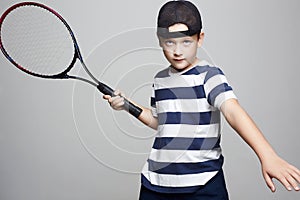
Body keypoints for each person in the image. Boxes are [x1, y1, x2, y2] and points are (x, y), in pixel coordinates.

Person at [103, 1, 300, 199]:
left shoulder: (209, 76)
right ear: (160, 40)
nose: (178, 51)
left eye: (186, 41)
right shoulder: (160, 79)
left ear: (200, 39)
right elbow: (161, 122)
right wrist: (127, 105)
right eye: (170, 42)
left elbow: (232, 111)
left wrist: (267, 155)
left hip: (203, 186)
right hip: (156, 184)